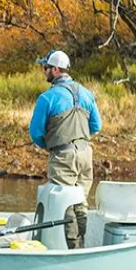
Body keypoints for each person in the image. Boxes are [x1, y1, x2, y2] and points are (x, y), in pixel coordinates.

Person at [29, 50, 102, 249]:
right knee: (80, 201)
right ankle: (81, 244)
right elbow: (96, 126)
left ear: (55, 69)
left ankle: (72, 249)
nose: (44, 71)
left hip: (63, 156)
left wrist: (50, 145)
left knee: (66, 203)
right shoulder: (86, 93)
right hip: (86, 153)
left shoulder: (47, 98)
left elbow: (35, 133)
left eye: (46, 68)